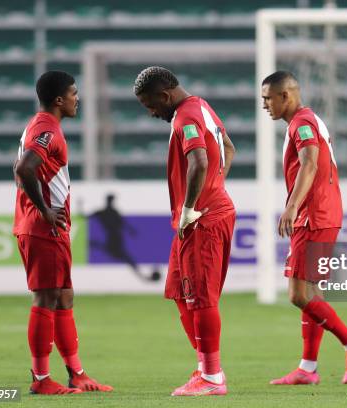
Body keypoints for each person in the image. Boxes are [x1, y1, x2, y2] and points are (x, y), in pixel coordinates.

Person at [261, 71, 347, 386]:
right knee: (312, 292)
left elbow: (310, 162)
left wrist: (293, 206)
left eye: (269, 98)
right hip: (320, 213)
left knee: (299, 294)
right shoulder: (304, 120)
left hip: (315, 215)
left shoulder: (302, 123)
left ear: (286, 95)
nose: (265, 104)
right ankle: (307, 369)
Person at [134, 66, 236, 396]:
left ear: (164, 96)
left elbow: (200, 162)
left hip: (201, 219)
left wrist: (193, 205)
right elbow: (228, 149)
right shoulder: (201, 106)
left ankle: (211, 377)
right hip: (200, 214)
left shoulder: (185, 117)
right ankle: (208, 367)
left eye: (151, 106)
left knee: (201, 297)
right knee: (180, 292)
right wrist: (214, 188)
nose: (151, 113)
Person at [14, 71, 113, 394]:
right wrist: (43, 209)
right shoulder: (46, 129)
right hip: (43, 228)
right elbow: (25, 168)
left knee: (64, 296)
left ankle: (77, 373)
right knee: (46, 297)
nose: (77, 98)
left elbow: (26, 169)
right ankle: (41, 379)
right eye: (73, 93)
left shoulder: (41, 125)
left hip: (49, 227)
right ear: (59, 99)